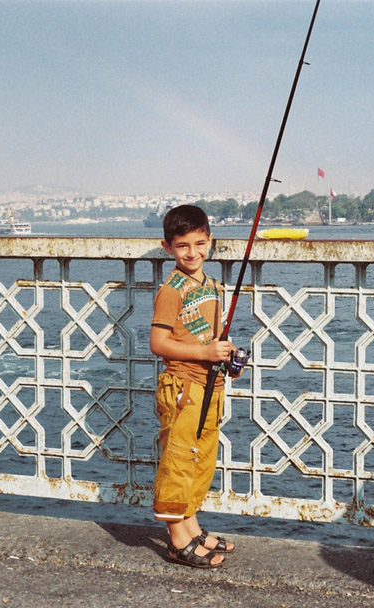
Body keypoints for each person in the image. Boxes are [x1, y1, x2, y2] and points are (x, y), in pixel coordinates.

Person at [149, 204, 241, 568]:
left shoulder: (212, 286)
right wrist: (204, 351)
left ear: (210, 241)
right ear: (167, 246)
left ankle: (192, 527)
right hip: (182, 389)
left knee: (200, 460)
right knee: (178, 462)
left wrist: (225, 357)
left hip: (209, 386)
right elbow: (158, 344)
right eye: (183, 245)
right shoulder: (172, 290)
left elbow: (213, 336)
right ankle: (176, 541)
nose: (193, 253)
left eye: (200, 243)